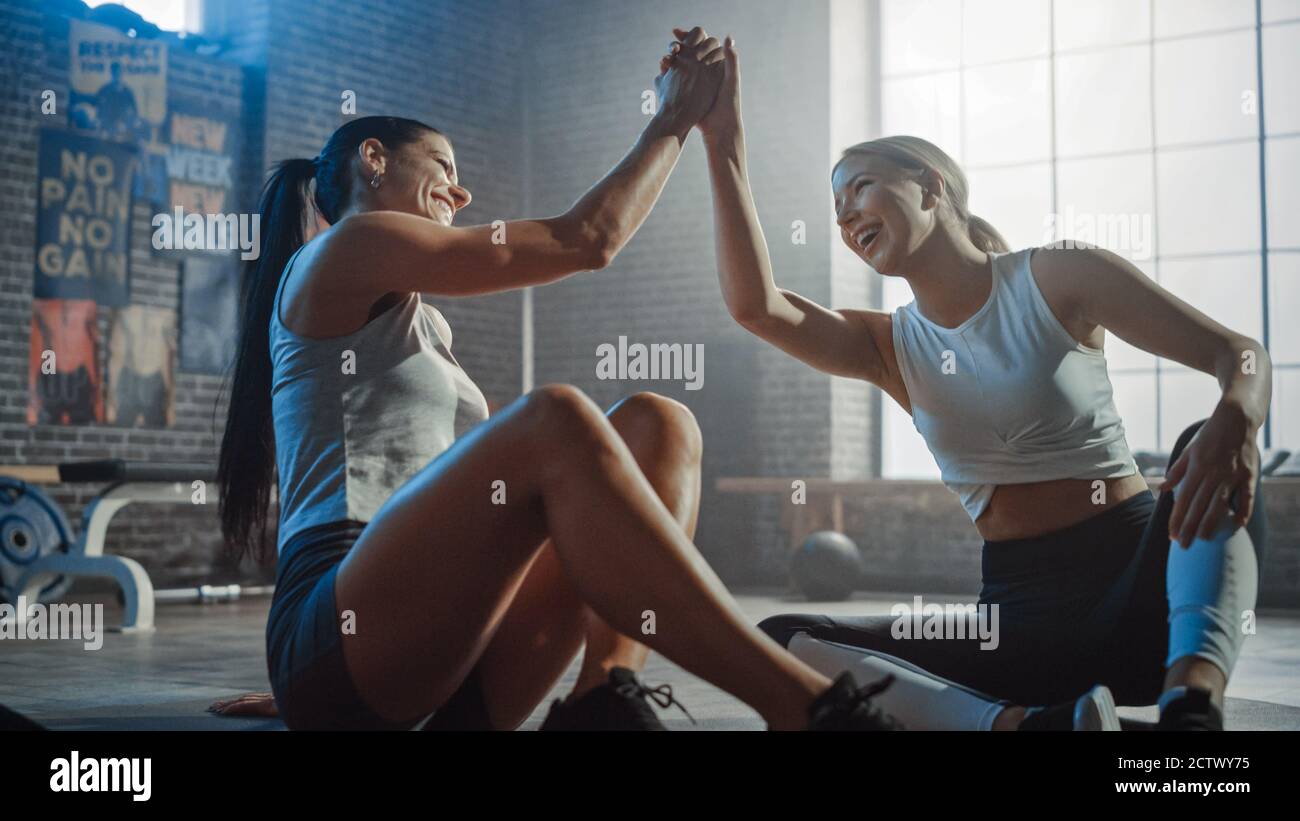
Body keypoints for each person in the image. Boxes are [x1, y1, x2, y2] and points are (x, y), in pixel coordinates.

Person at [215, 29, 896, 732]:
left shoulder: (425, 333)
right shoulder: (343, 248)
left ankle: (606, 693)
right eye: (444, 165)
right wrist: (670, 121)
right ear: (374, 159)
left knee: (658, 421)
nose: (463, 188)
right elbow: (588, 239)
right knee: (553, 416)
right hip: (338, 629)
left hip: (437, 654)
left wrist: (713, 130)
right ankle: (805, 705)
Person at [690, 29, 1269, 731]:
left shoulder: (1057, 276)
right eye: (836, 207)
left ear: (931, 187)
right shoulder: (888, 345)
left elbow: (1238, 355)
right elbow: (759, 306)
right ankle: (1028, 725)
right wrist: (722, 140)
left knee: (1204, 440)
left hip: (1143, 592)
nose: (844, 215)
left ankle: (1190, 705)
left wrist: (1237, 416)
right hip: (1017, 624)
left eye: (860, 188)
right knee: (783, 641)